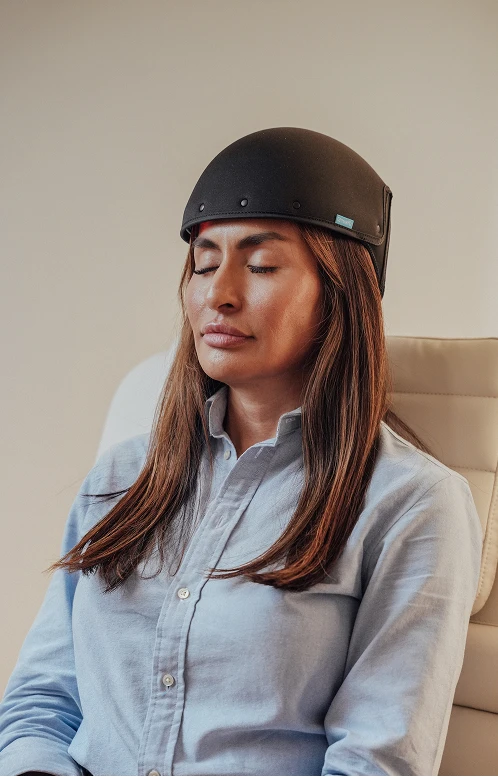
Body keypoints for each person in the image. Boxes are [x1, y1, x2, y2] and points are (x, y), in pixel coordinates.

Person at [0, 128, 482, 777]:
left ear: (340, 290)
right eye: (203, 262)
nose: (218, 293)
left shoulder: (414, 506)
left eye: (260, 265)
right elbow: (42, 699)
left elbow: (376, 764)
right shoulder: (123, 474)